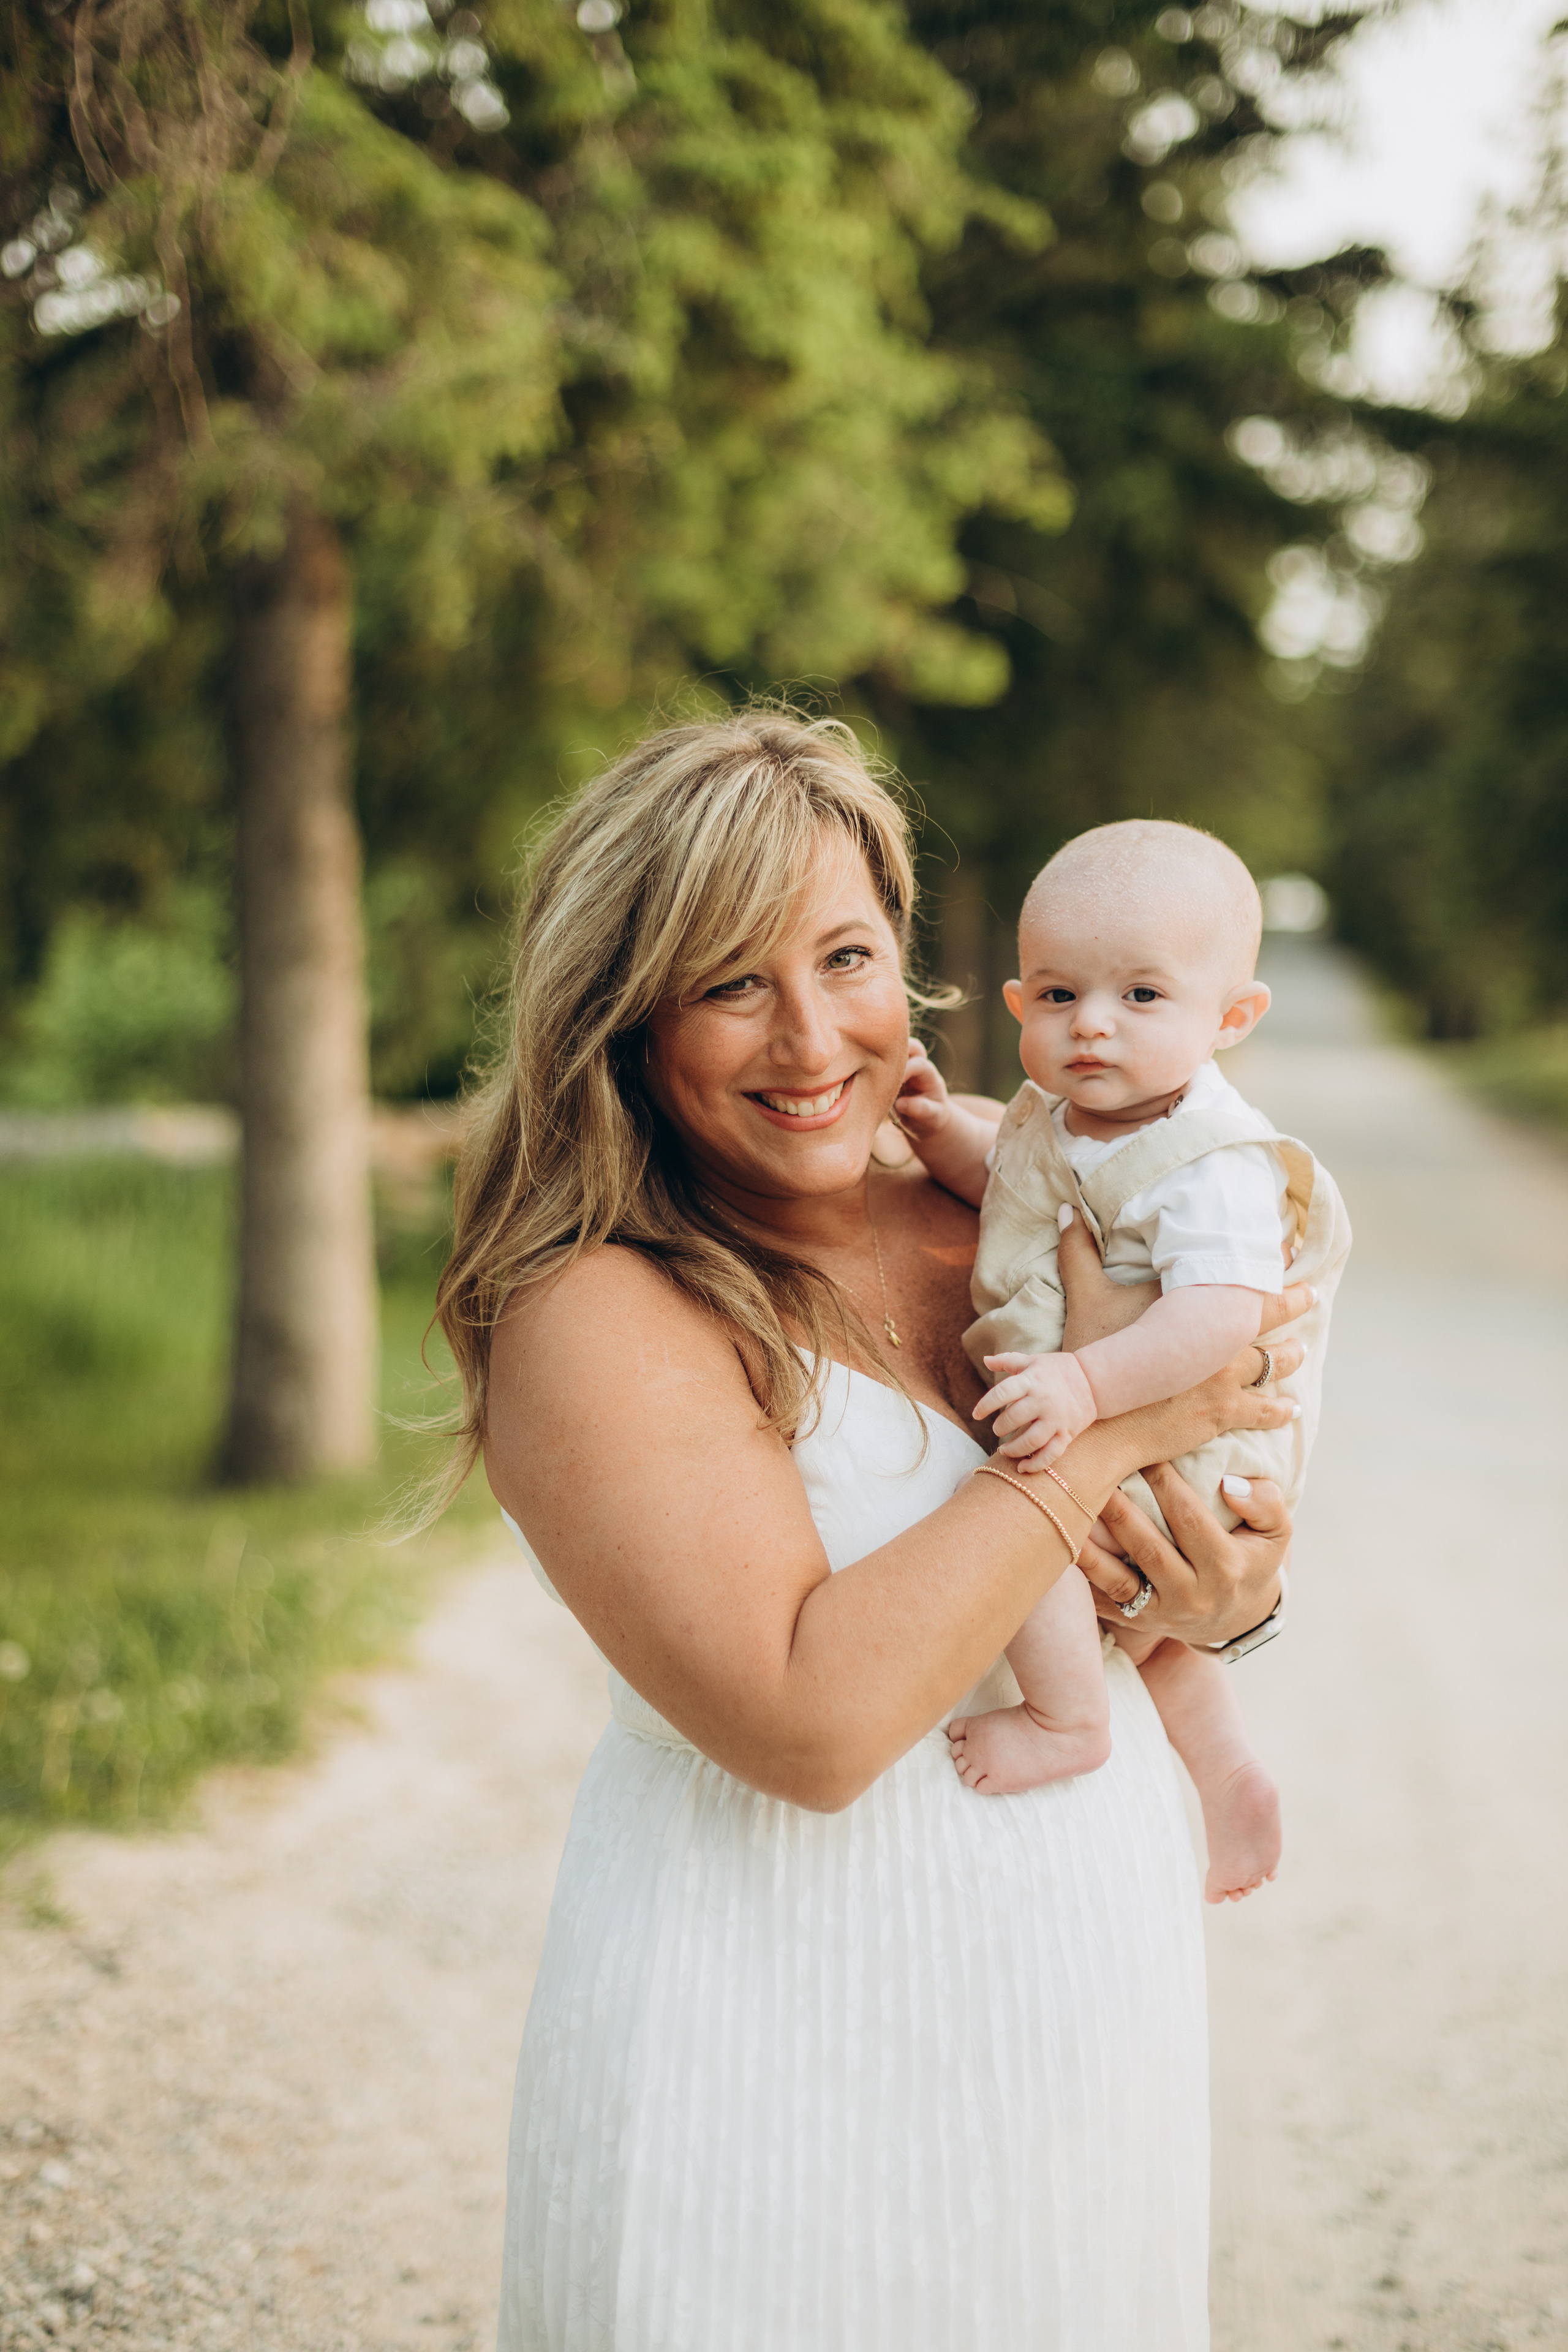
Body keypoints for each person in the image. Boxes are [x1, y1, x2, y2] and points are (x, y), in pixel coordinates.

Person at [435, 710, 1306, 2352]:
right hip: (768, 2032)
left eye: (845, 955)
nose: (812, 1035)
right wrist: (1121, 1420)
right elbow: (812, 1723)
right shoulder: (593, 1302)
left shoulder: (1004, 1180)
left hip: (1078, 2012)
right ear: (626, 1015)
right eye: (729, 981)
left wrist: (1231, 1594)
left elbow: (1217, 1438)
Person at [895, 821, 1351, 1900]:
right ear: (1019, 1005)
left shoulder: (1213, 1164)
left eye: (1142, 997)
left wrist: (1086, 1384)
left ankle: (1068, 1719)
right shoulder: (1060, 1119)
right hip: (1119, 1413)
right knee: (1149, 1617)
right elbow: (1019, 1192)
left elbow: (1224, 1313)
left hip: (1167, 1417)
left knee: (1027, 1524)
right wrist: (943, 1141)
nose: (1092, 1024)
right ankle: (1226, 1767)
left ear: (1230, 1018)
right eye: (1059, 996)